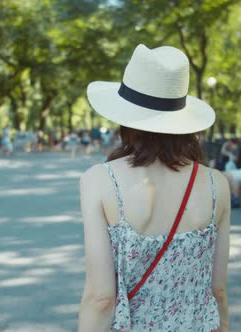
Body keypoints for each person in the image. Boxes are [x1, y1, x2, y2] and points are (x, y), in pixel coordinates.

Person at [79, 44, 230, 331]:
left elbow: (101, 299)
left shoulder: (99, 180)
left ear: (126, 117)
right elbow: (218, 290)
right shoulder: (215, 184)